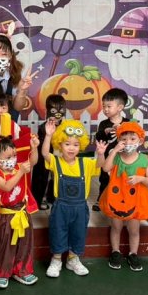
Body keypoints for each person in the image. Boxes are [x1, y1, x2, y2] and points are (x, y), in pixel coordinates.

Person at [42, 119, 106, 278]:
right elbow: (44, 153)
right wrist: (48, 136)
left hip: (80, 207)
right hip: (61, 206)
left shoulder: (86, 163)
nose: (71, 148)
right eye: (67, 144)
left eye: (76, 145)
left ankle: (73, 259)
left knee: (78, 233)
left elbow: (100, 165)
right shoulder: (56, 162)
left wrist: (100, 153)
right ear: (60, 145)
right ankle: (56, 260)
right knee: (58, 232)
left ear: (81, 146)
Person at [100, 121, 148, 272]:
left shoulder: (144, 159)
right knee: (116, 227)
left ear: (140, 141)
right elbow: (105, 168)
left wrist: (140, 179)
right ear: (119, 140)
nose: (128, 142)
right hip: (116, 199)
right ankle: (115, 251)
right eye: (124, 139)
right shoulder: (116, 156)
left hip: (135, 201)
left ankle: (133, 253)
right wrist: (113, 151)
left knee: (134, 230)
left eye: (132, 138)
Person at [0, 134, 40, 289]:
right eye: (8, 157)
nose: (13, 159)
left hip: (22, 213)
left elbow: (33, 161)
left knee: (24, 244)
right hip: (6, 216)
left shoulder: (18, 168)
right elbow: (6, 186)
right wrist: (21, 172)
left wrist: (34, 148)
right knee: (6, 245)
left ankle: (22, 270)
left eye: (14, 155)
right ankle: (2, 273)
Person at [93, 88, 130, 212]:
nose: (105, 109)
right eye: (104, 106)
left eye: (109, 106)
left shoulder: (127, 123)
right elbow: (99, 138)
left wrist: (122, 130)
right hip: (108, 158)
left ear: (120, 107)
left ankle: (122, 198)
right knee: (104, 178)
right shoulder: (104, 124)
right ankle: (101, 199)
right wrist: (106, 131)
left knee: (122, 178)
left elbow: (132, 137)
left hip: (123, 158)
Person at [31, 94, 66, 210]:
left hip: (60, 157)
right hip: (46, 156)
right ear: (47, 111)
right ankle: (40, 198)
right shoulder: (43, 127)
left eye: (61, 111)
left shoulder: (66, 126)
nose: (57, 115)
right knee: (42, 176)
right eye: (53, 111)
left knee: (57, 177)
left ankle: (53, 196)